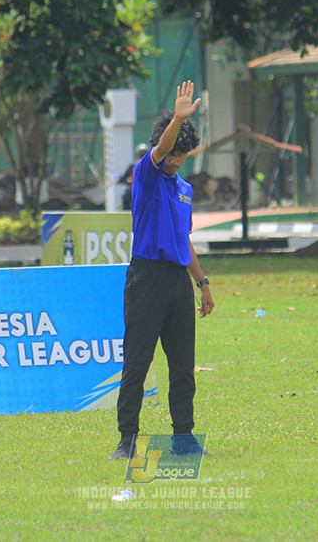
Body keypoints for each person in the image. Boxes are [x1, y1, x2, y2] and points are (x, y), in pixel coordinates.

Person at [111, 80, 215, 460]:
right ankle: (127, 440)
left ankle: (184, 438)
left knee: (183, 367)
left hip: (176, 281)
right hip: (146, 278)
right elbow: (160, 150)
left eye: (181, 154)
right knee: (137, 361)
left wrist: (202, 283)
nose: (174, 159)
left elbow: (183, 240)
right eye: (171, 152)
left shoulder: (184, 188)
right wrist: (178, 119)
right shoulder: (147, 172)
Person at [120, 143, 150, 211]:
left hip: (134, 189)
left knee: (125, 197)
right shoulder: (150, 165)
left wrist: (119, 180)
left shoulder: (134, 165)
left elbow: (125, 177)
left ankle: (126, 212)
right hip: (147, 190)